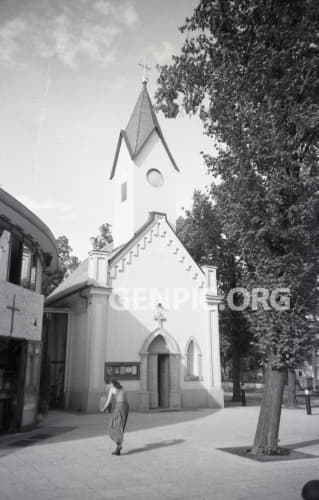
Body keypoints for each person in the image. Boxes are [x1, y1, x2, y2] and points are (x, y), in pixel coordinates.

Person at [101, 379, 129, 455]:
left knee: (112, 426)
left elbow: (108, 402)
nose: (108, 386)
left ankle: (118, 446)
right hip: (126, 407)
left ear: (112, 384)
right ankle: (118, 447)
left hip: (119, 407)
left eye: (109, 384)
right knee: (120, 427)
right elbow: (124, 398)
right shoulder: (122, 387)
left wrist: (103, 408)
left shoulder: (112, 389)